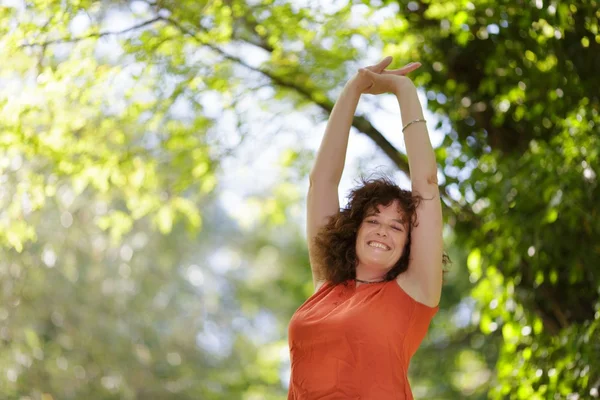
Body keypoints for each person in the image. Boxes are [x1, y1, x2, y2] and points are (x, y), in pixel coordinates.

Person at [287, 56, 450, 399]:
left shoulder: (415, 293)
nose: (381, 231)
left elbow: (426, 182)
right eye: (373, 220)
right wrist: (354, 88)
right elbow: (321, 183)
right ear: (355, 230)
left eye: (396, 227)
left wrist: (403, 89)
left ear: (410, 244)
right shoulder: (327, 285)